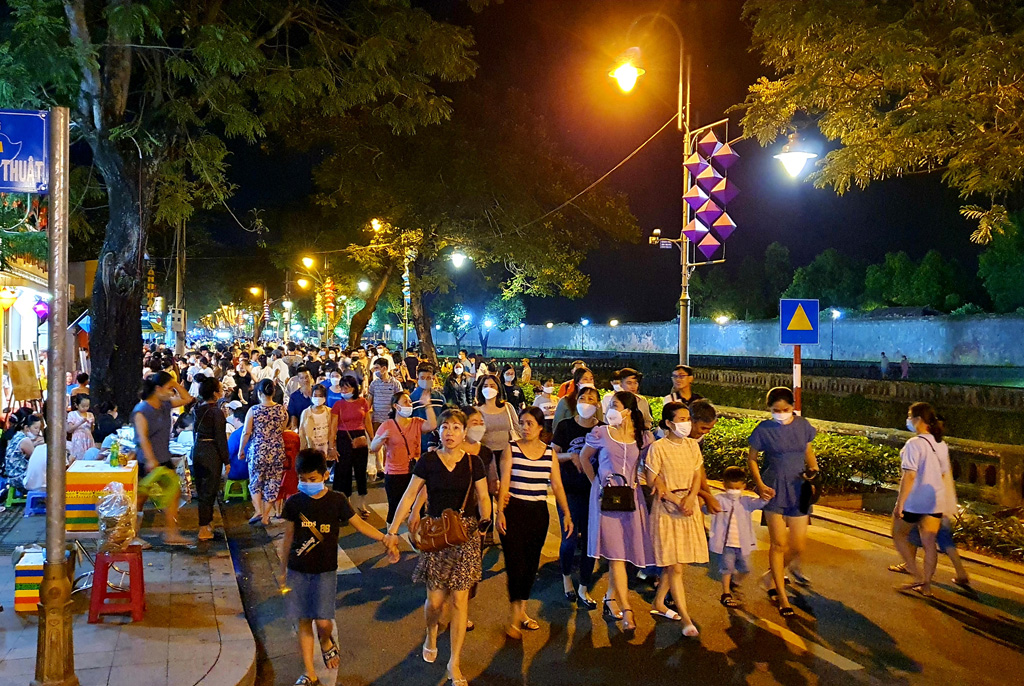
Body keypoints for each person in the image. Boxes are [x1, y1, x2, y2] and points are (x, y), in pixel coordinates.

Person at [384, 409, 491, 686]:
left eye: (456, 427)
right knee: (434, 602)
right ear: (439, 432)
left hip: (465, 535)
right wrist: (393, 530)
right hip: (436, 535)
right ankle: (431, 631)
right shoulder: (428, 461)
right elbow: (410, 494)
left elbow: (483, 496)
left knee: (459, 601)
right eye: (445, 427)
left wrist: (485, 520)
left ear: (464, 432)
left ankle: (454, 662)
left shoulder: (474, 462)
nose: (450, 432)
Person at [279, 449, 399, 686]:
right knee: (304, 620)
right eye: (302, 479)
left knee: (323, 622)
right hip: (298, 570)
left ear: (325, 476)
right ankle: (309, 673)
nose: (307, 484)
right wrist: (283, 570)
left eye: (312, 479)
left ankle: (326, 640)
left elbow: (359, 525)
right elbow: (288, 537)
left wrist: (384, 539)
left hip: (325, 572)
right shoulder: (294, 502)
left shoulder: (337, 501)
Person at [579, 391, 654, 635]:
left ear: (628, 411)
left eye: (615, 405)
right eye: (610, 405)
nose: (610, 409)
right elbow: (584, 457)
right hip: (606, 500)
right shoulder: (601, 433)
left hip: (631, 499)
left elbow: (650, 466)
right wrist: (597, 484)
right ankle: (627, 608)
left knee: (621, 552)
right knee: (617, 556)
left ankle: (611, 599)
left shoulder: (643, 438)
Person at [495, 407, 573, 638]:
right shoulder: (511, 449)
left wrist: (566, 513)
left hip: (538, 513)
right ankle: (514, 615)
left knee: (530, 564)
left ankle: (522, 611)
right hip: (514, 511)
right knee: (515, 563)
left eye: (530, 423)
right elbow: (505, 482)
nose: (525, 428)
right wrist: (500, 512)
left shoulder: (549, 454)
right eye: (522, 423)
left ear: (540, 427)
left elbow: (557, 485)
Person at [747, 386, 819, 617]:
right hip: (774, 488)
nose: (781, 413)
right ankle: (782, 596)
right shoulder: (763, 429)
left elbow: (808, 450)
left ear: (792, 407)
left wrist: (814, 470)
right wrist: (759, 484)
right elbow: (752, 458)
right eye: (776, 410)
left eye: (785, 409)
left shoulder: (803, 425)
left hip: (799, 488)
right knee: (778, 544)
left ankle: (770, 576)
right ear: (769, 409)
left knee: (797, 545)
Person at [645, 402, 708, 637]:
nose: (686, 423)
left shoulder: (692, 446)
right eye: (681, 419)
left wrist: (691, 498)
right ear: (669, 423)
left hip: (688, 507)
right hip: (667, 510)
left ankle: (659, 602)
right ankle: (686, 619)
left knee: (676, 562)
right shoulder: (658, 448)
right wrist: (676, 500)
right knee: (675, 566)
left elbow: (697, 475)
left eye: (688, 418)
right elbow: (652, 480)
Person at [892, 402, 951, 597]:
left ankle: (916, 574)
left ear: (918, 420)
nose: (908, 420)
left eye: (910, 416)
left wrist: (900, 503)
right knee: (929, 543)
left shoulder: (914, 444)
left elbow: (909, 476)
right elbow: (943, 473)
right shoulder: (940, 444)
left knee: (898, 534)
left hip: (915, 500)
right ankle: (926, 586)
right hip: (935, 500)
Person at [551, 385, 602, 609]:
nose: (587, 403)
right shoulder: (565, 426)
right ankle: (566, 577)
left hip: (594, 494)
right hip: (569, 490)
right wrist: (570, 456)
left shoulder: (602, 429)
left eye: (592, 399)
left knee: (591, 541)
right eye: (583, 398)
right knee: (570, 539)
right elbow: (552, 455)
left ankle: (584, 586)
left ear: (598, 405)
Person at [133, 372, 194, 545]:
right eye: (168, 388)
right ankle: (132, 535)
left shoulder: (166, 405)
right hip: (147, 462)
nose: (171, 392)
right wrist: (150, 460)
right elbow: (143, 437)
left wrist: (175, 383)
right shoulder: (142, 410)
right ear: (158, 389)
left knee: (174, 494)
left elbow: (187, 399)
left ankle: (171, 533)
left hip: (164, 459)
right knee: (139, 500)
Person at [368, 390, 437, 526]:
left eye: (410, 402)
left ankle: (416, 536)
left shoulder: (416, 422)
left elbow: (432, 425)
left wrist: (427, 405)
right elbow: (373, 447)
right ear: (396, 406)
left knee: (418, 508)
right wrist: (381, 439)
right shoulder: (387, 425)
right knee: (395, 507)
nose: (409, 404)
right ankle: (391, 534)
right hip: (394, 473)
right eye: (405, 402)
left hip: (415, 472)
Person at [709, 466, 768, 608]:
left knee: (746, 568)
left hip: (743, 544)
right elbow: (706, 508)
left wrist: (766, 496)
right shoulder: (719, 499)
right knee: (727, 568)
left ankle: (735, 582)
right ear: (724, 485)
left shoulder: (746, 501)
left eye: (737, 488)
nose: (733, 491)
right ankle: (726, 593)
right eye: (730, 488)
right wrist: (706, 502)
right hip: (726, 544)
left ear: (743, 486)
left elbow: (760, 503)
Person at [238, 378, 289, 526]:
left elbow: (246, 432)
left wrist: (241, 450)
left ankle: (258, 511)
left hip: (258, 451)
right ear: (273, 392)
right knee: (272, 483)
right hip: (276, 451)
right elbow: (282, 429)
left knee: (255, 481)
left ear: (259, 393)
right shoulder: (282, 410)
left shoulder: (254, 410)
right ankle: (266, 516)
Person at [192, 377, 230, 541]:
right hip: (211, 453)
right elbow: (220, 438)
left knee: (202, 490)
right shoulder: (216, 412)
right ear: (215, 393)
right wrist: (227, 460)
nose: (222, 391)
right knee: (209, 491)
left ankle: (207, 524)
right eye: (220, 389)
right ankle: (203, 529)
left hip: (199, 450)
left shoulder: (197, 409)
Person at [329, 375, 373, 516]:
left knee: (361, 470)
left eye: (346, 387)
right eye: (342, 387)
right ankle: (346, 503)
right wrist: (331, 446)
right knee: (344, 471)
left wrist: (373, 439)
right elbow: (333, 427)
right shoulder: (338, 405)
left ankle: (361, 503)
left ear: (354, 388)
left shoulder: (363, 402)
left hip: (360, 437)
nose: (344, 390)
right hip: (343, 438)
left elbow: (367, 422)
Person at [474, 374, 518, 488]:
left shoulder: (508, 407)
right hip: (485, 456)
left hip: (507, 454)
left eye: (492, 386)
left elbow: (517, 428)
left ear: (498, 389)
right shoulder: (476, 411)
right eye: (485, 386)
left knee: (506, 489)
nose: (488, 388)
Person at [368, 357, 404, 476]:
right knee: (378, 442)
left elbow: (400, 400)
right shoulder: (374, 384)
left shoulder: (395, 383)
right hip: (377, 418)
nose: (375, 371)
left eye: (377, 368)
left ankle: (388, 465)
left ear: (384, 368)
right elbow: (370, 400)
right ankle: (380, 468)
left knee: (390, 443)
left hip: (391, 419)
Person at [689, 400, 722, 515]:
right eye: (703, 428)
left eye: (709, 429)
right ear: (691, 421)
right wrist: (706, 496)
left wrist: (708, 495)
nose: (706, 432)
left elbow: (698, 467)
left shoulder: (697, 438)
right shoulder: (669, 437)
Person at [552, 366, 602, 434]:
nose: (589, 382)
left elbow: (600, 423)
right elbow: (556, 426)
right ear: (577, 382)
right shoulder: (565, 401)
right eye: (585, 379)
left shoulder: (596, 402)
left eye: (591, 379)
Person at [410, 363, 446, 452]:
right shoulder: (412, 399)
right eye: (422, 378)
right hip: (420, 442)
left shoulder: (439, 397)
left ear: (433, 378)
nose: (425, 381)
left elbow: (445, 417)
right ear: (418, 378)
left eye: (429, 378)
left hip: (438, 443)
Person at [4, 414, 44, 492]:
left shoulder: (17, 436)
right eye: (35, 428)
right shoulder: (25, 440)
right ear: (26, 428)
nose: (38, 431)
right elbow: (36, 459)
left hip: (12, 476)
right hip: (19, 477)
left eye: (39, 429)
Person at [299, 385, 332, 456]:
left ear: (325, 397)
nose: (318, 398)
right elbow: (302, 433)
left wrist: (332, 447)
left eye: (320, 396)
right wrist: (303, 449)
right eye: (315, 395)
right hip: (311, 447)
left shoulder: (329, 412)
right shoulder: (306, 413)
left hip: (326, 446)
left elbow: (333, 431)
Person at [67, 394, 96, 463]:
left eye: (87, 406)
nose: (85, 408)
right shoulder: (72, 414)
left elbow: (92, 430)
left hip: (88, 438)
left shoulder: (90, 414)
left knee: (89, 457)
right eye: (83, 406)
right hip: (78, 440)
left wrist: (92, 424)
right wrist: (80, 422)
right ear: (77, 405)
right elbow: (69, 430)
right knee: (79, 458)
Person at [287, 366, 314, 431]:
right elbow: (293, 415)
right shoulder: (294, 397)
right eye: (302, 378)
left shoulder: (317, 393)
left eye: (307, 377)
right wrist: (294, 428)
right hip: (301, 428)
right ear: (298, 380)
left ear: (311, 377)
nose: (305, 380)